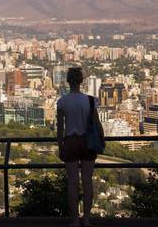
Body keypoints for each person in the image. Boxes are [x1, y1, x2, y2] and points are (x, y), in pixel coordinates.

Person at [56, 67, 104, 227]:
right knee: (87, 182)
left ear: (68, 81)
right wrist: (102, 141)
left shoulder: (62, 101)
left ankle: (75, 220)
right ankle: (87, 220)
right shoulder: (91, 100)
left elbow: (60, 128)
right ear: (81, 81)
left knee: (72, 183)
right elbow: (97, 124)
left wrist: (60, 145)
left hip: (70, 141)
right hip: (87, 142)